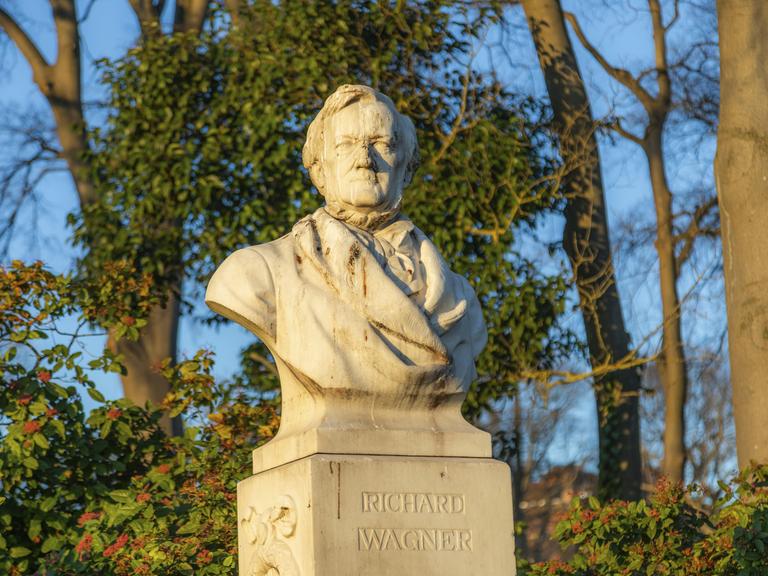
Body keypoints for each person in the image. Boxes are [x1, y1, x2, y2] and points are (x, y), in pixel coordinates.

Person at [206, 85, 489, 469]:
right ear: (319, 168)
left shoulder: (460, 299)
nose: (365, 159)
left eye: (381, 144)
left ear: (406, 166)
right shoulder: (260, 273)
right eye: (347, 145)